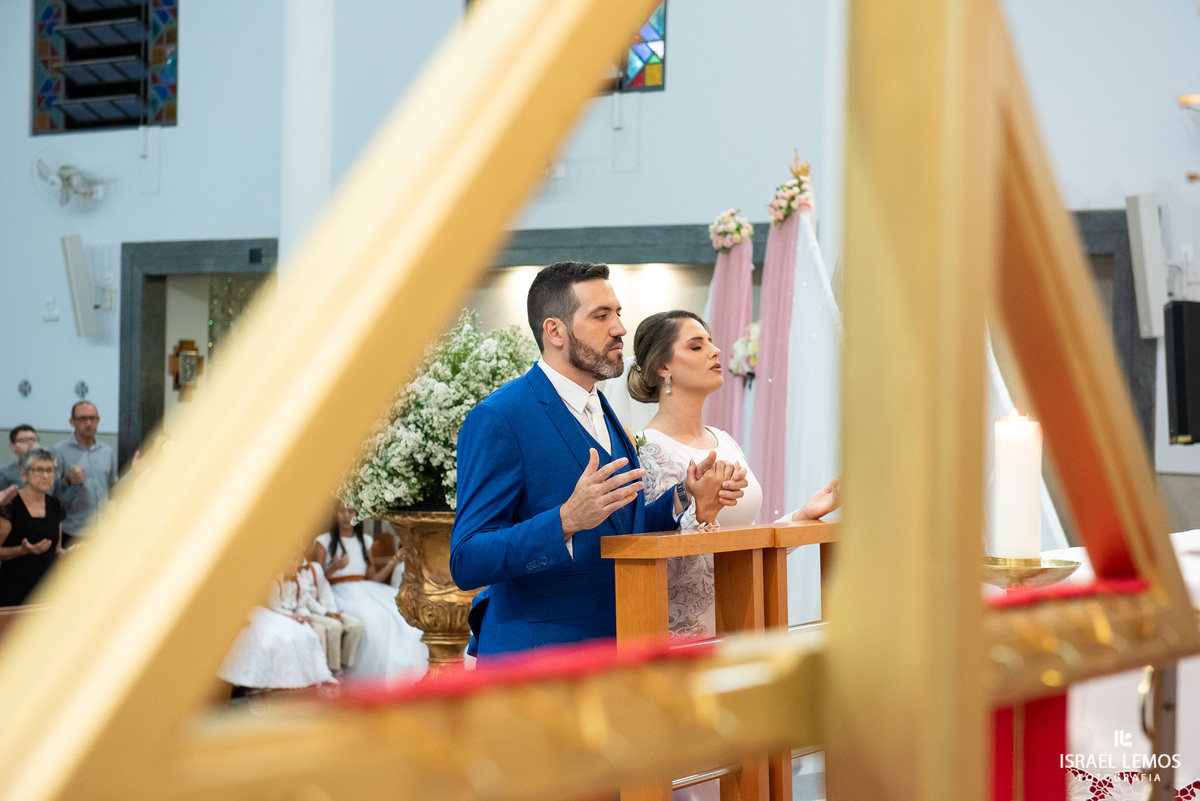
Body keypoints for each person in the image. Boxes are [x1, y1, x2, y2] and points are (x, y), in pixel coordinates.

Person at [450, 261, 746, 660]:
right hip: (538, 663)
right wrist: (564, 521)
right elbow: (467, 559)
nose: (620, 328)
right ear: (555, 331)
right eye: (601, 315)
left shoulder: (604, 410)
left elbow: (620, 528)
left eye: (618, 313)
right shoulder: (501, 417)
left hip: (618, 649)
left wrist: (682, 496)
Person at [628, 310, 841, 638]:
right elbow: (650, 561)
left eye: (711, 342)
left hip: (748, 624)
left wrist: (802, 515)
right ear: (662, 366)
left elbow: (747, 540)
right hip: (689, 635)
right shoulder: (648, 450)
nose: (715, 351)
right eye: (696, 346)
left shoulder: (723, 440)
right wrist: (702, 515)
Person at [312, 502, 427, 679]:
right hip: (336, 591)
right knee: (376, 619)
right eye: (341, 511)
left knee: (399, 612)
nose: (345, 516)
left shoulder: (364, 540)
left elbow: (372, 578)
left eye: (350, 511)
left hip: (366, 589)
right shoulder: (323, 541)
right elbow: (313, 579)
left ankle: (409, 665)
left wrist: (392, 563)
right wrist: (334, 568)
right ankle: (375, 673)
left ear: (356, 514)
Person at [217, 568, 334, 691]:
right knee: (272, 635)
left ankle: (306, 676)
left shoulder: (283, 578)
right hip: (257, 610)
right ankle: (260, 682)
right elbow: (271, 606)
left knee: (303, 631)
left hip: (270, 611)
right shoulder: (272, 580)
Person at [0, 448, 67, 606]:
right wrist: (21, 551)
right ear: (24, 474)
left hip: (47, 589)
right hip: (14, 589)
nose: (45, 475)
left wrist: (70, 553)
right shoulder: (10, 505)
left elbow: (56, 550)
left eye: (50, 470)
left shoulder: (55, 505)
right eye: (39, 470)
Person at [51, 401, 118, 546]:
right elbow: (51, 492)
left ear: (98, 420)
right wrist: (68, 481)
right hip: (74, 530)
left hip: (103, 529)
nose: (88, 423)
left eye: (92, 418)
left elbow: (113, 489)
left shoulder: (106, 451)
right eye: (82, 419)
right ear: (72, 422)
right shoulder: (59, 451)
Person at [295, 554, 365, 675]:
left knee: (357, 625)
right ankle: (333, 669)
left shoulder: (315, 567)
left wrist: (332, 612)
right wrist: (326, 613)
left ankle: (344, 664)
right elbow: (306, 599)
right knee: (334, 626)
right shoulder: (292, 569)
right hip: (306, 610)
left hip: (323, 610)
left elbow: (325, 592)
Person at [1, 425, 41, 490]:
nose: (31, 444)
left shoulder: (51, 472)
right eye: (24, 441)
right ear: (13, 446)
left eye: (34, 440)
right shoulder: (6, 475)